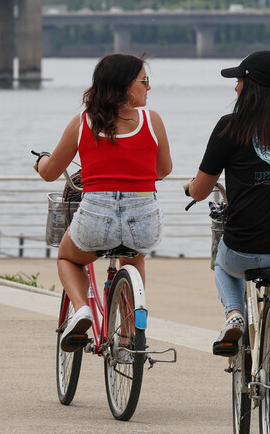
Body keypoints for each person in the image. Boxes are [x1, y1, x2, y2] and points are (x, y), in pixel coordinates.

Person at [184, 50, 270, 433]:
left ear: (251, 86)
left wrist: (191, 190)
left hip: (245, 249)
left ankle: (234, 315)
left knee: (222, 266)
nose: (236, 86)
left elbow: (202, 186)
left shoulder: (230, 126)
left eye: (239, 80)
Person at [34, 53, 172, 352]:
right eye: (144, 81)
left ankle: (82, 310)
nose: (149, 87)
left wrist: (42, 160)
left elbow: (49, 173)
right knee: (133, 257)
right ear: (124, 86)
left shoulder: (82, 123)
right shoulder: (153, 121)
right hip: (142, 220)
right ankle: (128, 336)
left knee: (68, 258)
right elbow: (163, 171)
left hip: (96, 219)